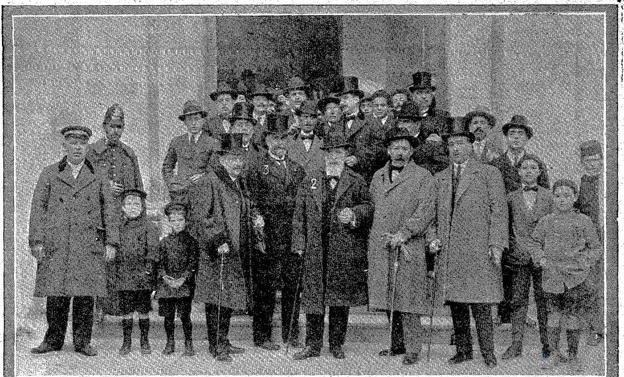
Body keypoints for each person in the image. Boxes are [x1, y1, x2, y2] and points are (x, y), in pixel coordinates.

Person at [29, 125, 119, 357]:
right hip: (57, 243)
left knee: (85, 295)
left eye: (82, 143)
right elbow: (38, 208)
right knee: (56, 293)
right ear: (64, 146)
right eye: (73, 143)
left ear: (87, 146)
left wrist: (111, 242)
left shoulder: (98, 174)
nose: (78, 147)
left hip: (88, 243)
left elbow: (109, 209)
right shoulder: (49, 173)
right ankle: (53, 340)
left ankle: (82, 342)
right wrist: (36, 240)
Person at [429, 129, 508, 368]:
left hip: (478, 248)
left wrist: (496, 244)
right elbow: (430, 215)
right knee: (456, 303)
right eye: (451, 144)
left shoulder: (488, 173)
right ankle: (463, 351)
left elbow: (499, 212)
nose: (456, 148)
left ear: (471, 146)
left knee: (481, 303)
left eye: (461, 143)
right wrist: (432, 238)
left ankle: (488, 352)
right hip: (450, 250)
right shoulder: (440, 178)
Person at [291, 133, 373, 360]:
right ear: (324, 154)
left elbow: (368, 206)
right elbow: (299, 214)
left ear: (346, 154)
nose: (334, 156)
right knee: (314, 297)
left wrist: (355, 213)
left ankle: (337, 344)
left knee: (339, 298)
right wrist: (299, 242)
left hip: (343, 247)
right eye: (330, 152)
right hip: (315, 248)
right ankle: (312, 345)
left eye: (338, 152)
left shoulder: (356, 180)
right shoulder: (311, 179)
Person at [187, 133, 265, 362]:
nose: (237, 163)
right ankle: (216, 345)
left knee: (227, 297)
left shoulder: (237, 182)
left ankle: (224, 339)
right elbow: (201, 216)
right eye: (232, 158)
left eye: (240, 157)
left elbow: (244, 208)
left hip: (235, 249)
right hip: (218, 250)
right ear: (221, 159)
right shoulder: (209, 181)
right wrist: (219, 239)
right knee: (217, 299)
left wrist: (255, 217)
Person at [367, 127, 436, 365]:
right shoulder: (378, 176)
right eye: (395, 148)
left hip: (409, 246)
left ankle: (413, 348)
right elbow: (373, 206)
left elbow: (426, 210)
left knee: (409, 299)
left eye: (404, 148)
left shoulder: (423, 177)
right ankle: (395, 344)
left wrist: (404, 232)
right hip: (382, 244)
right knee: (389, 296)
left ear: (412, 151)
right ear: (388, 150)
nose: (399, 152)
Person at [247, 116, 307, 350]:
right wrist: (257, 221)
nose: (279, 143)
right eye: (274, 138)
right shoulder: (257, 169)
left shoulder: (297, 169)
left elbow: (302, 205)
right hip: (268, 237)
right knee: (266, 289)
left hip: (292, 236)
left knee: (293, 287)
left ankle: (290, 334)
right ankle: (261, 336)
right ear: (267, 141)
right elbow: (250, 201)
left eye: (283, 138)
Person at [529, 179, 601, 372]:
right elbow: (534, 242)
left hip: (575, 278)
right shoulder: (546, 221)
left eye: (567, 196)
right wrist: (541, 258)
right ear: (553, 198)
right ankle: (553, 354)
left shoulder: (583, 221)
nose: (562, 200)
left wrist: (584, 262)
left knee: (572, 316)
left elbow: (595, 248)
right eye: (558, 196)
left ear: (575, 198)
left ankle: (573, 356)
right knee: (553, 316)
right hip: (552, 277)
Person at [489, 115, 549, 324]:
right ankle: (504, 312)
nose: (515, 138)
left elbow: (545, 194)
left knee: (529, 267)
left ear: (527, 138)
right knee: (505, 266)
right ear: (506, 137)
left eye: (520, 134)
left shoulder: (536, 164)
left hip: (529, 224)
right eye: (512, 134)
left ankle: (524, 314)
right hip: (504, 221)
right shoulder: (496, 163)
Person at [87, 103, 144, 321]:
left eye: (119, 127)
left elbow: (138, 189)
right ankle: (99, 308)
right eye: (111, 126)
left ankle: (120, 307)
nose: (115, 131)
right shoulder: (92, 153)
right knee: (101, 263)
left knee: (122, 261)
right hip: (99, 218)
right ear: (104, 126)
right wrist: (105, 186)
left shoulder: (129, 154)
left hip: (123, 218)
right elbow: (84, 184)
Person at [501, 155, 553, 360]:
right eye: (524, 168)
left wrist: (545, 253)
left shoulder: (549, 197)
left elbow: (553, 228)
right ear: (519, 172)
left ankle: (548, 344)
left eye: (533, 168)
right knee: (518, 301)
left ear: (540, 172)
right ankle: (516, 345)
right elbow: (506, 228)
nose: (529, 171)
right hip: (519, 257)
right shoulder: (511, 197)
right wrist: (513, 249)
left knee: (544, 302)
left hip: (543, 258)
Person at [114, 189, 160, 356]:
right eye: (128, 204)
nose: (132, 207)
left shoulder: (149, 226)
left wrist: (148, 271)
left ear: (142, 207)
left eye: (136, 204)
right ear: (123, 207)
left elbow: (153, 251)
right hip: (124, 274)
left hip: (142, 275)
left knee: (142, 309)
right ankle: (126, 342)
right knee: (126, 310)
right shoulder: (118, 227)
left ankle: (144, 341)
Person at [153, 202, 199, 357]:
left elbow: (193, 263)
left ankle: (188, 343)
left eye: (180, 220)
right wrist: (165, 277)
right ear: (168, 222)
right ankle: (170, 342)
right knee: (168, 317)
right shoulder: (164, 242)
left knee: (185, 316)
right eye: (173, 221)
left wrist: (183, 278)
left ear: (186, 221)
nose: (177, 224)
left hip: (184, 284)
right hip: (167, 284)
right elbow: (159, 263)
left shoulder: (191, 242)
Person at [574, 140, 604, 346]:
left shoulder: (612, 179)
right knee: (593, 285)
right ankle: (596, 329)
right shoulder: (583, 182)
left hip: (612, 236)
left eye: (596, 160)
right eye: (588, 160)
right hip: (592, 241)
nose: (592, 164)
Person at [162, 100, 219, 202]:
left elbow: (216, 170)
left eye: (197, 119)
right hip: (180, 194)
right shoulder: (177, 142)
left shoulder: (212, 143)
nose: (193, 123)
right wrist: (171, 183)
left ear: (203, 120)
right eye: (189, 120)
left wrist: (204, 176)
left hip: (203, 194)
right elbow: (167, 166)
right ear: (184, 122)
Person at [337, 76, 385, 183]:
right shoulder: (336, 125)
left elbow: (381, 149)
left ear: (356, 99)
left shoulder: (372, 122)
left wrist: (359, 158)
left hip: (365, 178)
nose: (341, 103)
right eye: (340, 99)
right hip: (342, 180)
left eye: (345, 98)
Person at [286, 100, 325, 175]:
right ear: (299, 118)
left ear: (317, 120)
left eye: (313, 117)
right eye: (305, 117)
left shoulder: (324, 141)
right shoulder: (289, 140)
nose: (308, 121)